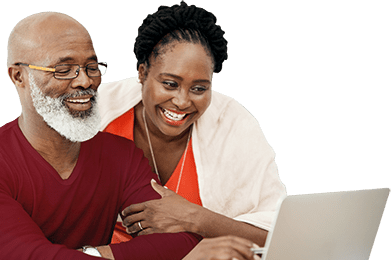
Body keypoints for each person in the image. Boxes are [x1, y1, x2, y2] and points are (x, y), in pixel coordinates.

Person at [0, 11, 260, 260]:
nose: (85, 81)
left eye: (92, 67)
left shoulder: (120, 155)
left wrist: (83, 259)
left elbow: (180, 241)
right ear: (18, 76)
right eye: (64, 69)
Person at [100, 1, 287, 246]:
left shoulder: (233, 126)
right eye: (169, 84)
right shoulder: (98, 112)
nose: (181, 101)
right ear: (143, 73)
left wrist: (194, 218)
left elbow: (280, 236)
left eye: (199, 88)